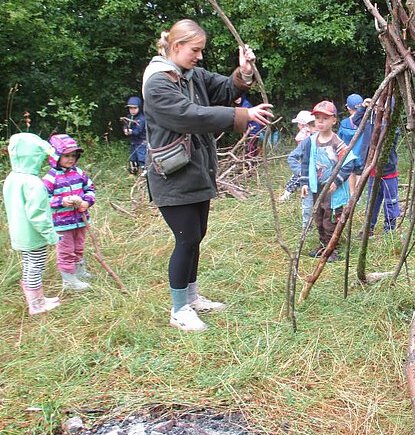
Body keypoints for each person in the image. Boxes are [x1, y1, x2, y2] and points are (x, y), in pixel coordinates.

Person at [142, 19, 274, 332]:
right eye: (195, 50)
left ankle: (191, 298)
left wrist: (243, 72)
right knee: (186, 239)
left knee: (196, 236)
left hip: (196, 171)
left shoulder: (191, 75)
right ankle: (178, 311)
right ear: (176, 47)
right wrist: (244, 115)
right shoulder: (158, 83)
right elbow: (189, 117)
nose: (200, 56)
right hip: (172, 175)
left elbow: (226, 88)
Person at [2, 133, 61, 315]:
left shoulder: (13, 177)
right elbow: (38, 214)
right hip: (33, 234)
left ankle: (38, 299)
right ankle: (36, 305)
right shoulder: (33, 183)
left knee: (29, 264)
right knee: (36, 266)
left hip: (20, 232)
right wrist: (50, 235)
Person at [299, 100, 357, 262]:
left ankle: (332, 249)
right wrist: (304, 183)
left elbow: (348, 164)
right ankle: (323, 244)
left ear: (333, 120)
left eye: (325, 118)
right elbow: (306, 162)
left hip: (332, 190)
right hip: (317, 187)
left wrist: (336, 182)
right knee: (318, 215)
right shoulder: (311, 141)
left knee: (331, 218)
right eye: (317, 118)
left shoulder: (337, 143)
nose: (320, 122)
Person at [43, 134, 96, 292]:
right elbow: (44, 199)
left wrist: (86, 202)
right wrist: (61, 202)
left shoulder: (79, 173)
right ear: (55, 156)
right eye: (66, 155)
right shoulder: (50, 178)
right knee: (66, 250)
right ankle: (68, 279)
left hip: (80, 219)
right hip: (62, 223)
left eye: (73, 155)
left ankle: (79, 270)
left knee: (79, 246)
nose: (71, 159)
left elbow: (90, 189)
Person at [356, 97, 401, 238]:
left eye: (380, 106)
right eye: (376, 106)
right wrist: (364, 108)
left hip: (388, 171)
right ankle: (368, 228)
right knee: (372, 200)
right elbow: (357, 121)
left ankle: (390, 229)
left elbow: (387, 136)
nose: (376, 108)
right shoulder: (370, 121)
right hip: (372, 170)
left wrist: (381, 119)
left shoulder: (392, 126)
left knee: (390, 201)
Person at [279, 110, 315, 231]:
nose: (298, 126)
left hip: (315, 173)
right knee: (307, 205)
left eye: (299, 123)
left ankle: (286, 195)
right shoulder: (305, 137)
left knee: (296, 180)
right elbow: (296, 155)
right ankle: (307, 230)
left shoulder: (306, 135)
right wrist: (300, 170)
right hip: (305, 171)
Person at [338, 93, 365, 196]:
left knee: (350, 174)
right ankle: (358, 195)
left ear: (348, 107)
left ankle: (352, 193)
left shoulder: (344, 123)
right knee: (360, 174)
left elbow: (339, 138)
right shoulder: (364, 122)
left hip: (348, 155)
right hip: (361, 155)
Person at [123, 95, 147, 175]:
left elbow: (138, 131)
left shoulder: (142, 119)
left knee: (142, 158)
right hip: (133, 141)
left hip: (141, 142)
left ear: (139, 107)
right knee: (132, 158)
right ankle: (133, 173)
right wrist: (125, 130)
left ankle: (144, 173)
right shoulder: (129, 117)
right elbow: (125, 125)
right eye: (130, 108)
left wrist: (131, 131)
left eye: (134, 108)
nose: (132, 110)